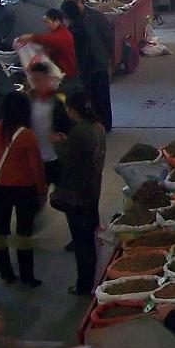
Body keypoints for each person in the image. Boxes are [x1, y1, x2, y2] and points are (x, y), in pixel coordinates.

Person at [0, 91, 46, 287]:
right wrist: (41, 190)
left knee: (0, 231)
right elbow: (36, 168)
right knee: (24, 234)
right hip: (24, 189)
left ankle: (6, 273)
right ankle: (27, 276)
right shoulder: (27, 136)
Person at [51, 88, 104, 295]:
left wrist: (58, 145)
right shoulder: (97, 127)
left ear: (73, 111)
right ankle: (93, 279)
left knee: (82, 244)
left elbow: (69, 161)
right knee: (90, 238)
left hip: (78, 195)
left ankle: (84, 285)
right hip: (93, 190)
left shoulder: (80, 131)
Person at [65, 0, 115, 131]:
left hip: (99, 64)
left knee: (102, 96)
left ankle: (106, 125)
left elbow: (109, 38)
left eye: (74, 3)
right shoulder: (70, 21)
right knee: (90, 96)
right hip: (84, 68)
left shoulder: (95, 17)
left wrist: (109, 59)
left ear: (81, 1)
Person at [24, 62, 70, 187]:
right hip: (35, 158)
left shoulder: (60, 101)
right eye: (33, 80)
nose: (36, 84)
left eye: (39, 80)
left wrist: (62, 137)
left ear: (48, 78)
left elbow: (70, 126)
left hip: (56, 157)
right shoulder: (28, 101)